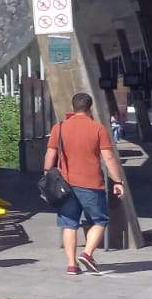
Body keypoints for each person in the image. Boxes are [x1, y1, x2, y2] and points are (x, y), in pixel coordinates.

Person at [44, 92, 126, 276]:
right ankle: (87, 253)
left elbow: (50, 153)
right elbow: (108, 157)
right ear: (90, 108)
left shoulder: (60, 127)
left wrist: (46, 174)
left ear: (73, 108)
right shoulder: (98, 129)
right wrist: (117, 181)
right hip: (91, 183)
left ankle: (72, 265)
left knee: (69, 224)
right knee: (100, 220)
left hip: (64, 184)